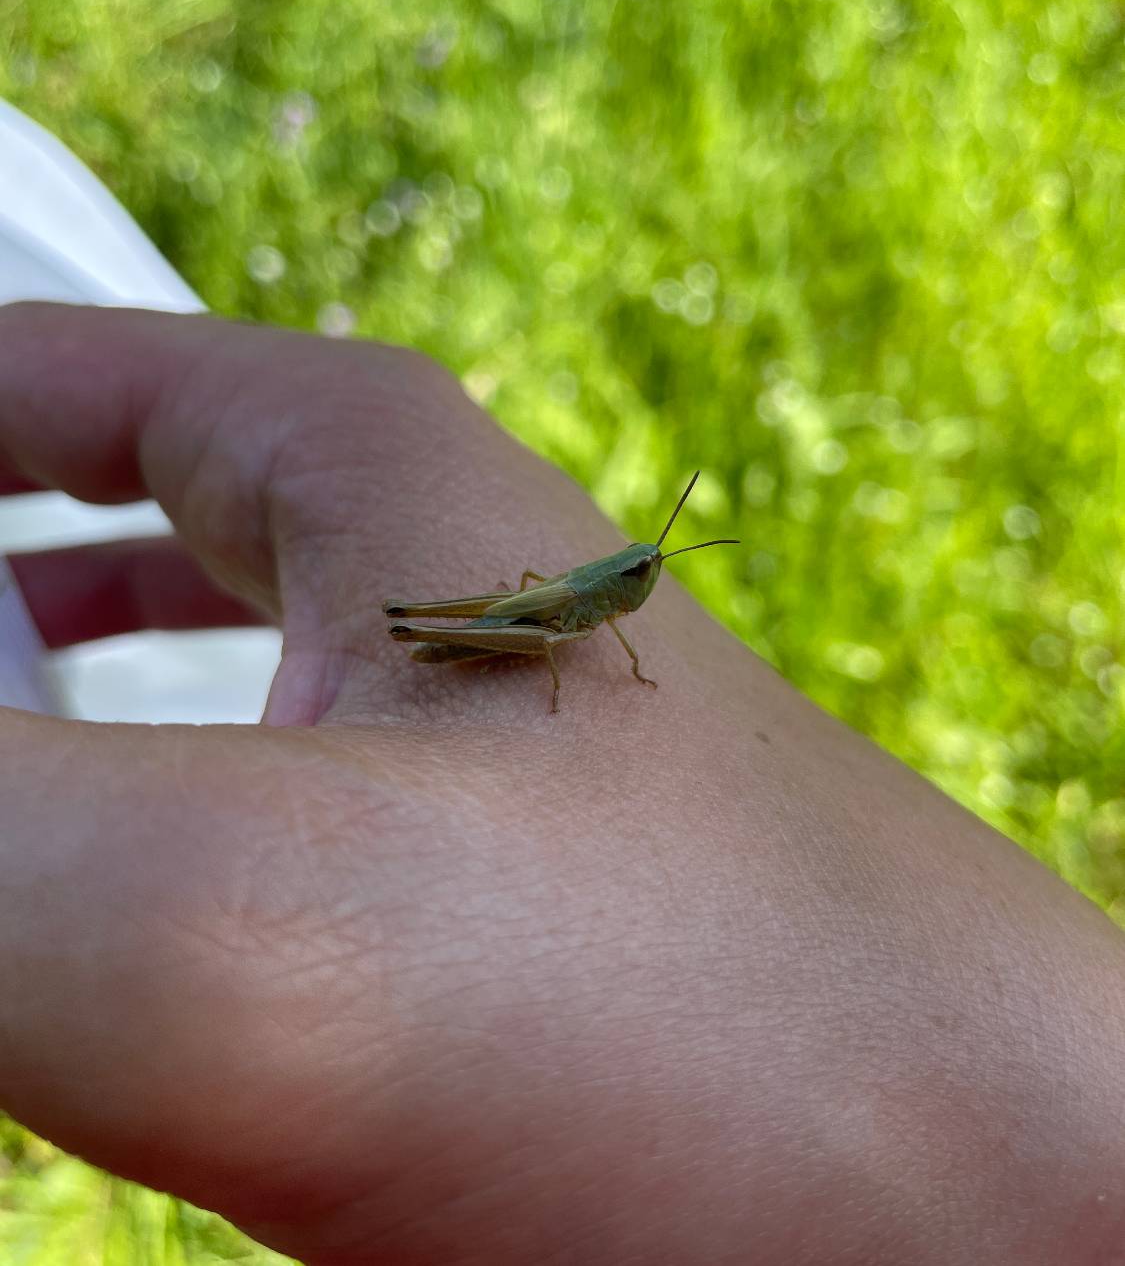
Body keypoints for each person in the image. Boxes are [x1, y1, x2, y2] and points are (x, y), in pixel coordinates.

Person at [0, 300, 1121, 1266]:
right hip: (488, 633)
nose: (640, 584)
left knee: (550, 623)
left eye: (645, 574)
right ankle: (430, 627)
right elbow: (563, 624)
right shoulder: (586, 609)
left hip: (522, 623)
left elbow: (600, 625)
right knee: (531, 623)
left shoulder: (611, 605)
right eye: (639, 570)